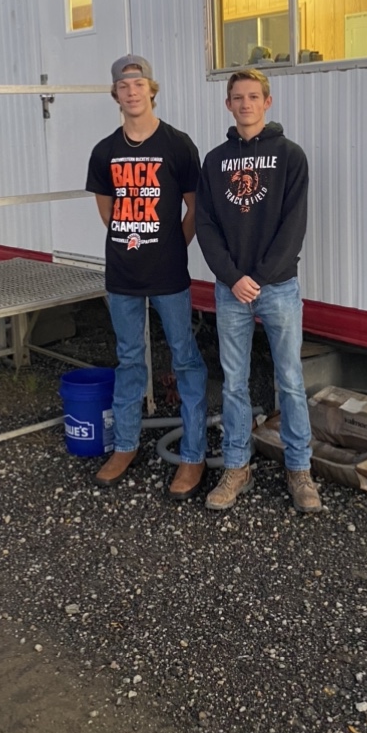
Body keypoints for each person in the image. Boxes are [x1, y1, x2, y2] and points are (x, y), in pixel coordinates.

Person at [196, 69, 321, 514]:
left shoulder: (290, 156)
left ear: (267, 102)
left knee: (289, 380)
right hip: (232, 289)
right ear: (228, 105)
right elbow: (206, 226)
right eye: (237, 97)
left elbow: (294, 225)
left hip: (279, 286)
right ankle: (236, 466)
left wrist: (262, 277)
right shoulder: (214, 162)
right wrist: (233, 277)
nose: (245, 103)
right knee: (233, 383)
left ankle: (299, 470)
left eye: (253, 96)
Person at [86, 55, 208, 500]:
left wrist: (171, 247)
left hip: (170, 273)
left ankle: (193, 455)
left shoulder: (178, 145)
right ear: (115, 94)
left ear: (151, 90)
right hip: (122, 273)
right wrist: (129, 238)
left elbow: (195, 207)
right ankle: (125, 446)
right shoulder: (105, 151)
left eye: (139, 83)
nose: (132, 91)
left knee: (185, 359)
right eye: (124, 85)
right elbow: (106, 208)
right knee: (129, 358)